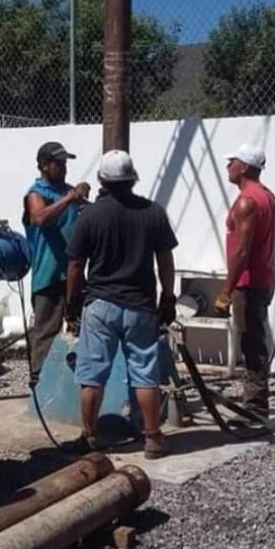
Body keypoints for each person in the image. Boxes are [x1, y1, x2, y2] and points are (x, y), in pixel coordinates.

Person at [66, 149, 177, 460]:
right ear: (132, 179)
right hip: (141, 305)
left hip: (100, 304)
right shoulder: (153, 212)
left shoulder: (90, 215)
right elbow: (165, 260)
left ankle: (88, 437)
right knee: (145, 373)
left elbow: (75, 264)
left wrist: (71, 303)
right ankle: (153, 438)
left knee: (92, 373)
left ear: (102, 180)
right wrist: (168, 298)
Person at [214, 143, 275, 418]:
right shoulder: (268, 196)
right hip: (264, 278)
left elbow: (242, 250)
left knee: (251, 342)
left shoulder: (247, 201)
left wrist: (226, 291)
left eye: (232, 162)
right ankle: (255, 401)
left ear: (243, 167)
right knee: (254, 338)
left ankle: (255, 406)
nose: (228, 166)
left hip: (249, 282)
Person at [22, 141, 90, 376]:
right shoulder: (36, 193)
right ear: (43, 165)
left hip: (73, 272)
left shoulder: (67, 191)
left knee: (81, 326)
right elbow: (40, 218)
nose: (63, 168)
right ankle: (39, 379)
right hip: (49, 274)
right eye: (57, 163)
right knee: (46, 331)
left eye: (64, 163)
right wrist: (69, 199)